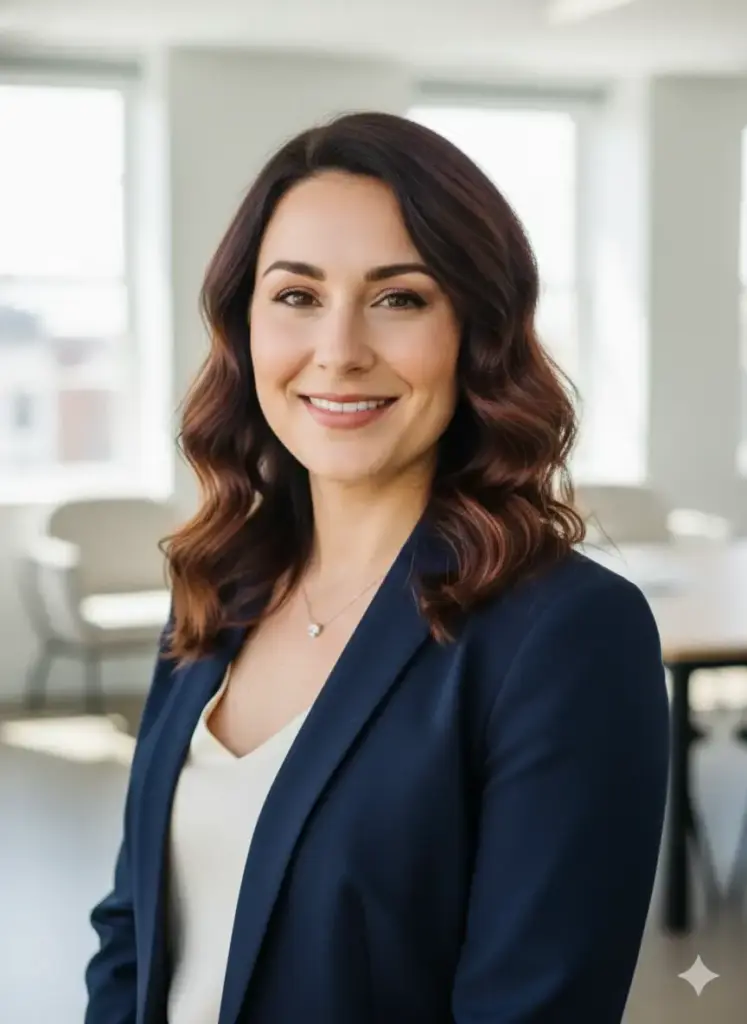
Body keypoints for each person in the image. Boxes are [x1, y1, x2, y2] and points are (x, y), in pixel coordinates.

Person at [84, 111, 669, 1024]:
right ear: (244, 326)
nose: (340, 351)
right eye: (296, 295)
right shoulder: (217, 587)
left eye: (398, 299)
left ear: (476, 330)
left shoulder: (567, 634)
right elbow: (132, 929)